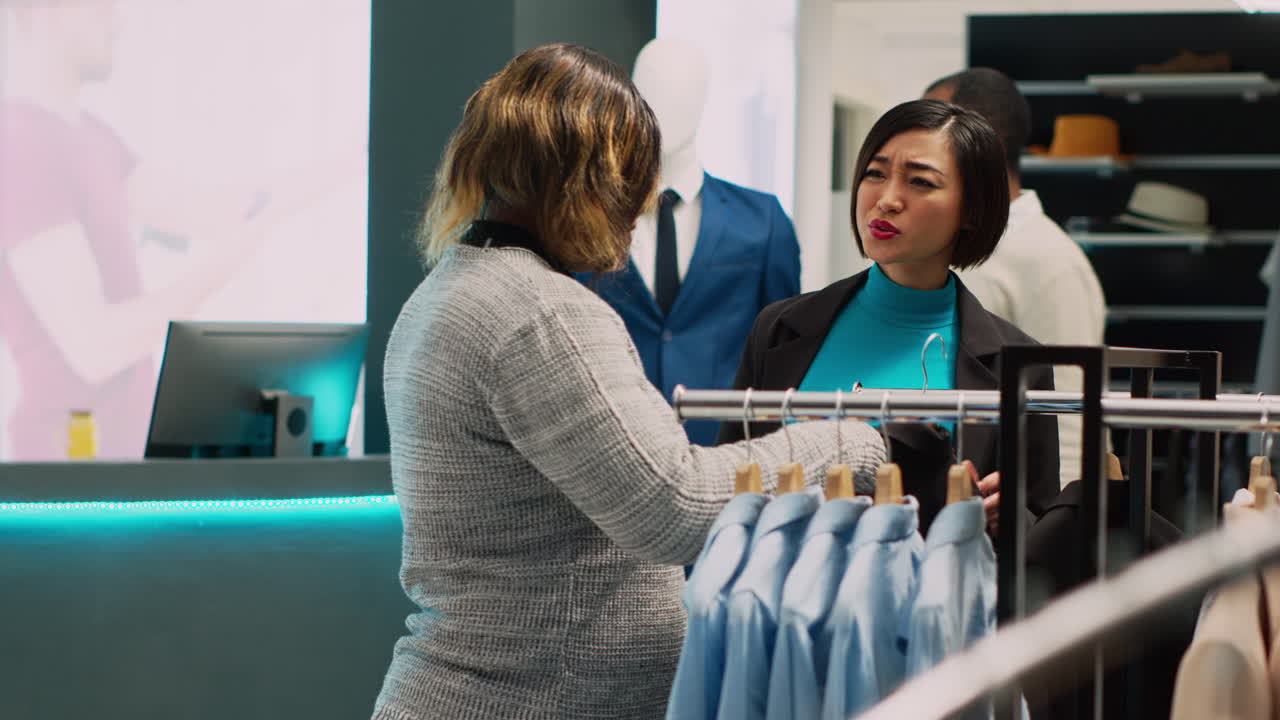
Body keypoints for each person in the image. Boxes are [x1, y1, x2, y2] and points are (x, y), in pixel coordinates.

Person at [371, 43, 884, 720]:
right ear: (592, 183)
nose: (636, 211)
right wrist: (854, 442)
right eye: (632, 184)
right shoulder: (541, 313)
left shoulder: (454, 289)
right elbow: (676, 507)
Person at [720, 99, 1060, 535]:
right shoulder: (780, 329)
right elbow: (730, 489)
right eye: (875, 174)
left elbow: (1039, 528)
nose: (886, 200)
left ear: (971, 211)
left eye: (920, 182)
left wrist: (1007, 517)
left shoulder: (1019, 363)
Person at [579, 38, 801, 447]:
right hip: (611, 443)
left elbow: (784, 355)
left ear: (703, 99)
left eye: (681, 91)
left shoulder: (762, 221)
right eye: (652, 91)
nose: (663, 107)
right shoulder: (588, 218)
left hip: (726, 447)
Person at [924, 68, 1107, 488]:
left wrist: (1052, 516)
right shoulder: (952, 245)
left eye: (934, 126)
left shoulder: (1047, 258)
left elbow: (1071, 415)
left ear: (981, 139)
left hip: (1020, 509)